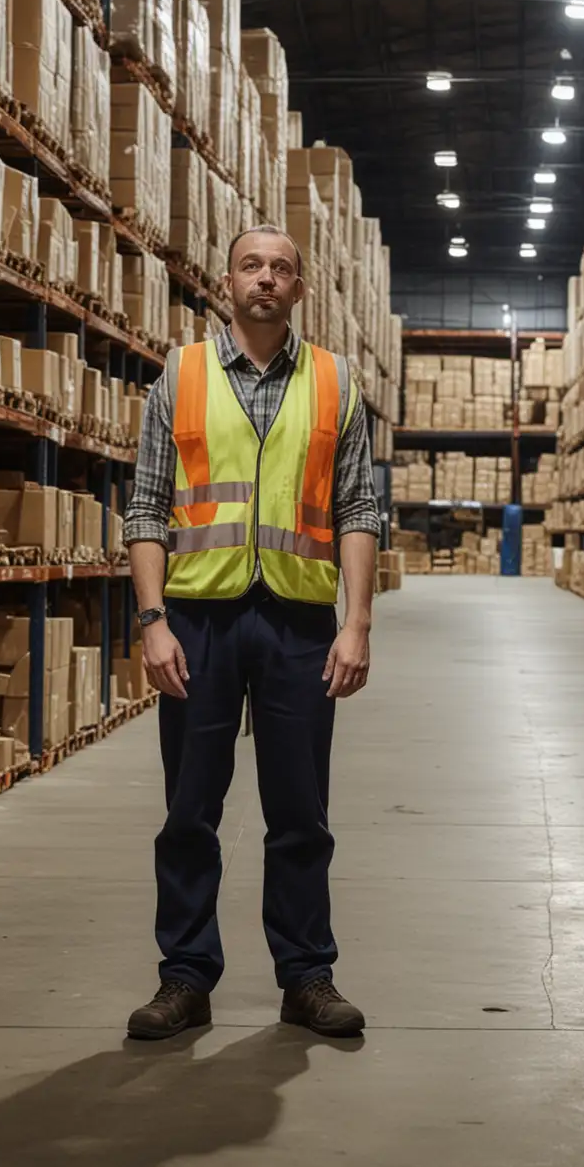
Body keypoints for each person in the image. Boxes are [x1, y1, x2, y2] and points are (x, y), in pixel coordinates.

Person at [122, 225, 380, 1042]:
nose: (266, 279)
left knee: (300, 813)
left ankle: (307, 974)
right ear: (225, 283)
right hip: (199, 621)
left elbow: (359, 510)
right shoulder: (183, 374)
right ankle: (185, 977)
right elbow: (146, 506)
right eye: (251, 266)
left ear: (300, 289)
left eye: (281, 268)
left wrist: (358, 624)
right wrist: (153, 622)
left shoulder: (335, 381)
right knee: (190, 811)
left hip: (301, 622)